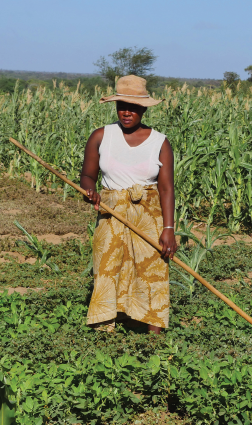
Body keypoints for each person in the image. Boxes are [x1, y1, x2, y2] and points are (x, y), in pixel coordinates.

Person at [79, 75, 177, 335]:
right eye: (122, 105)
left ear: (144, 108)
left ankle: (153, 333)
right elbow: (87, 175)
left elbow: (167, 188)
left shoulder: (160, 142)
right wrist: (89, 189)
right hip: (111, 213)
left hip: (149, 215)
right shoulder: (102, 136)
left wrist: (168, 228)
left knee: (153, 270)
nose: (126, 112)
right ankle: (106, 326)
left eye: (133, 107)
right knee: (107, 267)